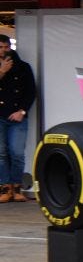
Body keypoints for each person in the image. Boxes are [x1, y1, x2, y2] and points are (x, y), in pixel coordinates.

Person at [0, 35, 36, 203]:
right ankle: (5, 188)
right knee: (1, 153)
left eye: (6, 47)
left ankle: (17, 187)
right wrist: (2, 71)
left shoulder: (23, 67)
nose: (3, 51)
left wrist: (22, 111)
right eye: (0, 47)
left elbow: (31, 91)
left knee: (16, 152)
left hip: (17, 116)